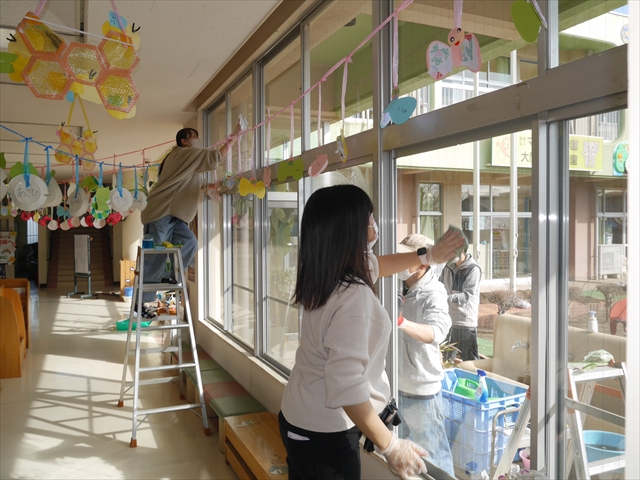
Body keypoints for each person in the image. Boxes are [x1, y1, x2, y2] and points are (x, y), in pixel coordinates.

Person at [279, 185, 465, 480]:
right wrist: (391, 446)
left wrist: (430, 254)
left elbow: (381, 264)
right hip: (324, 434)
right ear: (350, 229)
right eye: (369, 218)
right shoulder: (352, 297)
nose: (374, 226)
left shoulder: (326, 272)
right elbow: (346, 386)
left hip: (300, 419)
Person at [136, 120, 242, 316]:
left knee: (190, 242)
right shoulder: (181, 154)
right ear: (184, 141)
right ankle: (141, 304)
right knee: (156, 256)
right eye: (194, 137)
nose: (197, 140)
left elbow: (198, 183)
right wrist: (234, 136)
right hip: (160, 211)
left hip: (176, 216)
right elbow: (215, 158)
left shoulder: (188, 162)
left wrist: (214, 185)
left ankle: (169, 277)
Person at [395, 233, 455, 477]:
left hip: (421, 392)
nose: (400, 261)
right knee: (403, 458)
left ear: (422, 264)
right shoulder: (397, 286)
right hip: (396, 387)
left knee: (434, 459)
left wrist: (401, 322)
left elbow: (436, 332)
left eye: (406, 257)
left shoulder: (434, 292)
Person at [439, 246, 482, 362]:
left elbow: (467, 295)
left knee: (470, 362)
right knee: (444, 359)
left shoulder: (473, 269)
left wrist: (445, 298)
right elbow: (439, 285)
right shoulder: (448, 267)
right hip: (448, 321)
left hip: (465, 322)